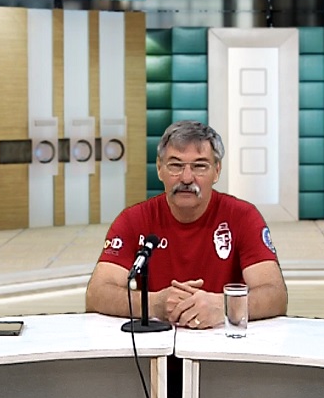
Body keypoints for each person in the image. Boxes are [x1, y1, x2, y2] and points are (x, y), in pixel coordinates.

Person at [86, 120, 287, 328]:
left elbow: (275, 294)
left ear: (217, 171)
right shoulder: (133, 219)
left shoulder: (243, 217)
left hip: (223, 340)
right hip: (156, 341)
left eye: (200, 166)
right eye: (176, 166)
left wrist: (224, 306)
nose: (187, 178)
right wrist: (154, 304)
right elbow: (97, 293)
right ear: (159, 169)